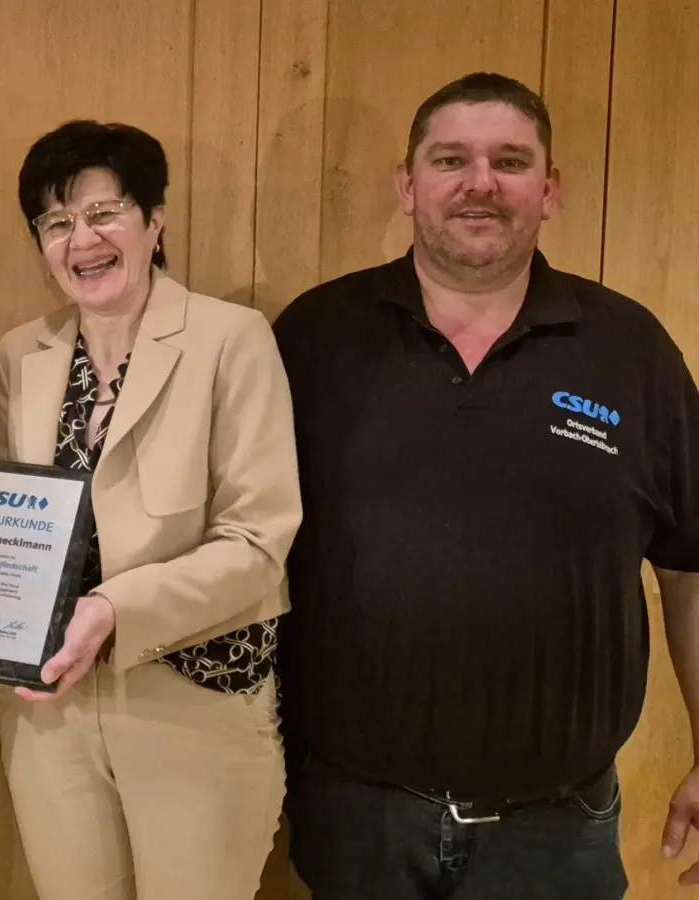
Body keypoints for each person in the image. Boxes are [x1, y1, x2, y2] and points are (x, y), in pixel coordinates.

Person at [274, 72, 699, 898]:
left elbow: (693, 570)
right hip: (357, 818)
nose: (480, 183)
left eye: (510, 160)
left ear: (550, 189)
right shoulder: (313, 339)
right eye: (449, 160)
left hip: (556, 833)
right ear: (407, 186)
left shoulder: (632, 350)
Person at [0, 119, 301, 900]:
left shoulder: (232, 339)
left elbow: (259, 541)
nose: (80, 240)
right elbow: (21, 524)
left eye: (104, 212)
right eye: (56, 222)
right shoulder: (21, 353)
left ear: (155, 220)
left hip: (192, 698)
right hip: (51, 705)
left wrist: (110, 609)